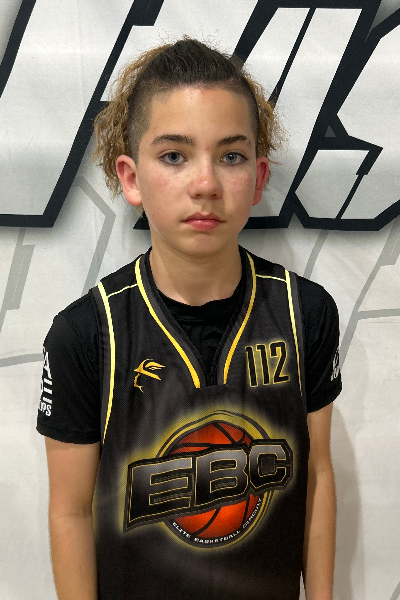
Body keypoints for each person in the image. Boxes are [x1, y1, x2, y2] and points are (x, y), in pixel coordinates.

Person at [37, 38, 341, 600]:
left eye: (231, 156)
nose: (205, 184)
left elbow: (318, 475)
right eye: (174, 156)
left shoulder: (306, 312)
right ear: (131, 178)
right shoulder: (86, 333)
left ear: (258, 177)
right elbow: (71, 511)